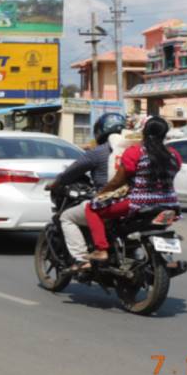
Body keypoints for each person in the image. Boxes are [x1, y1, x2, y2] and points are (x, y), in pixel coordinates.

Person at [82, 116, 182, 268]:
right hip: (170, 204)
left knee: (92, 208)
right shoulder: (174, 154)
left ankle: (101, 249)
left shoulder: (136, 152)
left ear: (144, 132)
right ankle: (166, 257)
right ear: (164, 134)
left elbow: (118, 180)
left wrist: (102, 193)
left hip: (139, 202)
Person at [48, 113, 126, 271]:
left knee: (67, 217)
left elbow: (73, 171)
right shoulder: (134, 150)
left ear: (100, 131)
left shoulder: (99, 152)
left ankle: (80, 259)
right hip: (134, 201)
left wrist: (56, 183)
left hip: (109, 201)